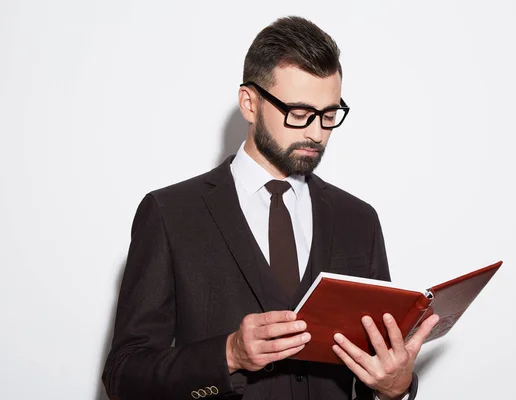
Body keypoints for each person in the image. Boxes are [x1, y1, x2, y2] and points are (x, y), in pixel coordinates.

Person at [102, 15, 439, 400]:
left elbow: (374, 366)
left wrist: (393, 388)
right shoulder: (170, 214)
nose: (316, 132)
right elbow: (123, 377)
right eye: (299, 114)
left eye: (329, 116)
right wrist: (228, 354)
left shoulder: (359, 220)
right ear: (249, 103)